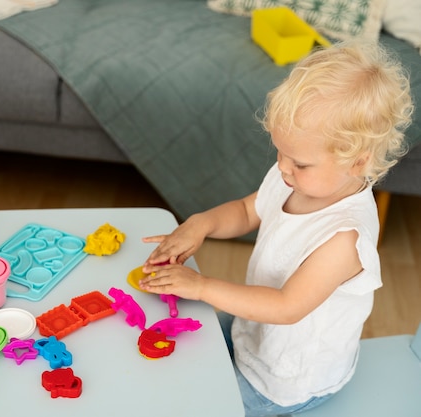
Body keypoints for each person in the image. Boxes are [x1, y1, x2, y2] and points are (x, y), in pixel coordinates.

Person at [138, 41, 414, 416]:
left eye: (298, 162)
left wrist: (201, 286)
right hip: (252, 329)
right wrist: (201, 224)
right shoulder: (293, 179)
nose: (282, 168)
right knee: (172, 347)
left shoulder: (345, 238)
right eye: (280, 152)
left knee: (196, 405)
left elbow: (286, 308)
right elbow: (247, 209)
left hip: (287, 377)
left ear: (357, 162)